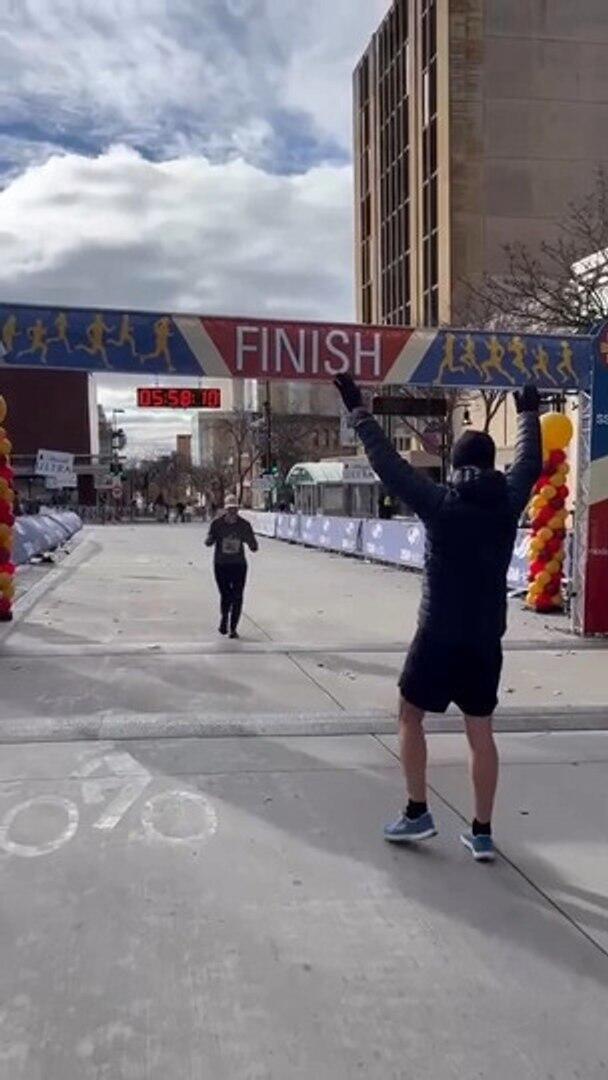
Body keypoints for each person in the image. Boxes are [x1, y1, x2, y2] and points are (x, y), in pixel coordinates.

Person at [335, 374, 542, 862]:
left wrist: (359, 412)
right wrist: (530, 415)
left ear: (456, 465)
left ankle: (417, 811)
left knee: (410, 715)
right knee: (480, 732)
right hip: (485, 639)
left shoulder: (440, 503)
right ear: (491, 465)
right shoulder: (507, 503)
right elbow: (530, 463)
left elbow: (389, 465)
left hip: (437, 635)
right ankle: (482, 832)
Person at [205, 495, 258, 639]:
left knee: (238, 596)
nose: (232, 512)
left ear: (238, 509)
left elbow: (254, 546)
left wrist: (250, 542)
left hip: (238, 564)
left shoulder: (244, 525)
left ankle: (233, 628)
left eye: (234, 509)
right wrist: (210, 539)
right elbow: (208, 541)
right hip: (221, 564)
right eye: (229, 509)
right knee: (226, 595)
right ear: (225, 509)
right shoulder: (217, 524)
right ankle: (224, 618)